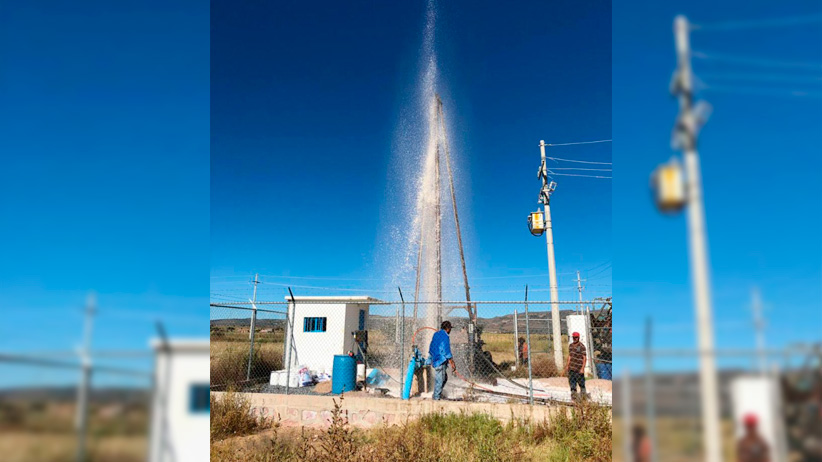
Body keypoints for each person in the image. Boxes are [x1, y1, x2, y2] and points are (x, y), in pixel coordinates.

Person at [428, 320, 456, 400]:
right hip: (441, 360)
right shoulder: (445, 336)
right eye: (450, 328)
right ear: (447, 328)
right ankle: (436, 398)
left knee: (444, 378)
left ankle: (437, 393)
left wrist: (430, 358)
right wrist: (452, 362)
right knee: (440, 380)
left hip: (436, 359)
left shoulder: (436, 334)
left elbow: (431, 346)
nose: (450, 330)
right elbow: (446, 350)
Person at [565, 331, 587, 399]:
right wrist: (567, 366)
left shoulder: (581, 346)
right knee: (572, 383)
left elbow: (584, 358)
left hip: (578, 368)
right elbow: (570, 356)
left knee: (581, 383)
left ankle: (583, 396)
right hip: (572, 368)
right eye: (574, 337)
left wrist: (582, 368)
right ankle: (574, 396)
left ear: (578, 338)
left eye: (576, 337)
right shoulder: (571, 346)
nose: (575, 339)